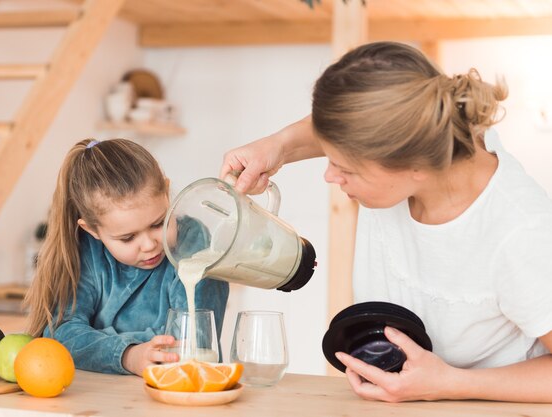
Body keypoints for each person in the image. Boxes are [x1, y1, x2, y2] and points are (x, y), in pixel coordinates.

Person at [220, 41, 552, 403]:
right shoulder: (416, 138)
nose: (330, 177)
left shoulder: (520, 232)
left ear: (413, 165)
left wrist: (449, 383)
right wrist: (279, 145)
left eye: (345, 168)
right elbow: (339, 123)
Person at [25, 138, 229, 376]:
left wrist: (97, 341)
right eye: (127, 238)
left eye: (158, 223)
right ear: (92, 230)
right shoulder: (87, 249)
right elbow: (60, 334)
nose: (149, 244)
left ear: (167, 191)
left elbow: (195, 339)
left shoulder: (193, 242)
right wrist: (129, 355)